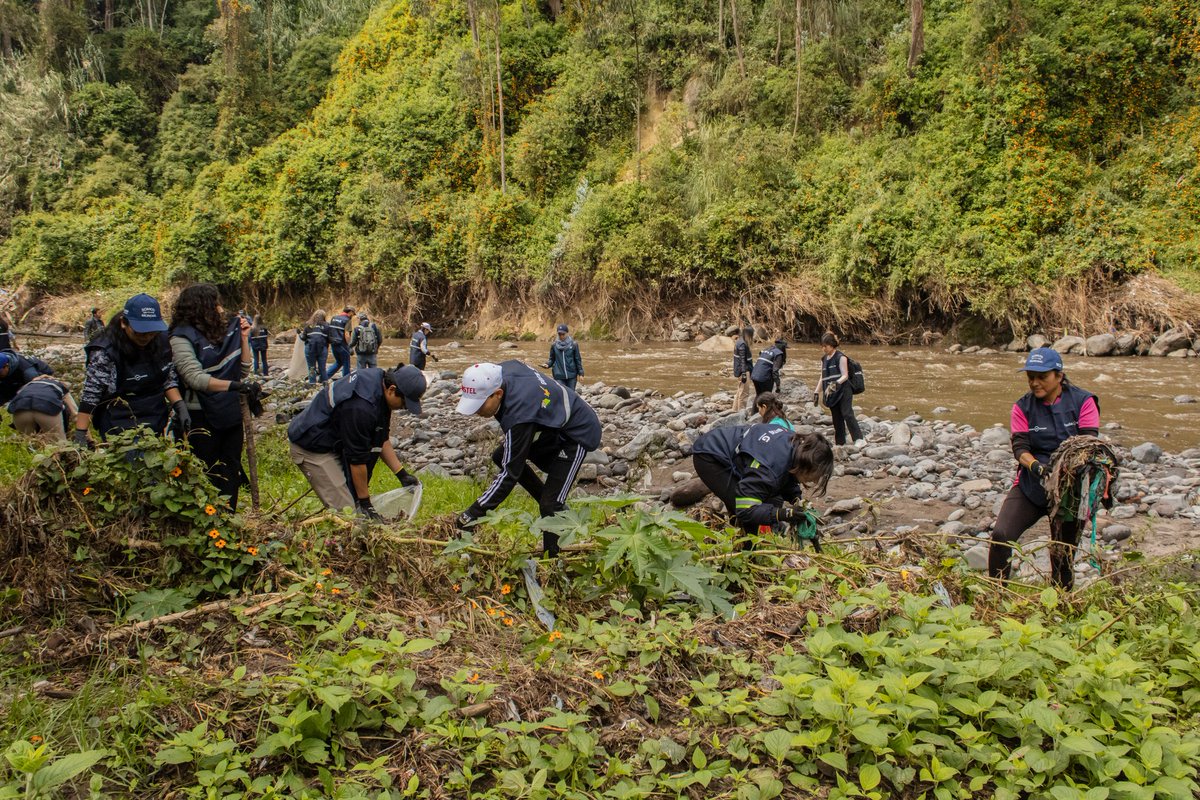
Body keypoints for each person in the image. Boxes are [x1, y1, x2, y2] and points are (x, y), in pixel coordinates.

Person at [454, 361, 602, 557]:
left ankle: (552, 560)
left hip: (577, 433)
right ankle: (556, 507)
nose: (476, 411)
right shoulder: (500, 372)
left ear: (498, 394)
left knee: (550, 505)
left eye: (479, 405)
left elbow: (510, 474)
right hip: (550, 424)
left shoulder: (520, 414)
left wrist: (471, 514)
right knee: (501, 456)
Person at [988, 347, 1100, 589]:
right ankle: (995, 595)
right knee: (1001, 535)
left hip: (1070, 490)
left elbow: (1089, 443)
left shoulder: (1084, 401)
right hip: (1032, 484)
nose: (1034, 383)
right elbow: (1020, 448)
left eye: (1042, 377)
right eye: (1030, 377)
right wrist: (1036, 467)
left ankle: (1060, 605)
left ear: (1059, 376)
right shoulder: (1022, 407)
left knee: (1062, 553)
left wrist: (1065, 470)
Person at [287, 366, 427, 517]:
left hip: (336, 440)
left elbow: (381, 438)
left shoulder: (380, 384)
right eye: (404, 403)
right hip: (311, 446)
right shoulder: (361, 407)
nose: (404, 407)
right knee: (348, 512)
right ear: (392, 390)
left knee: (355, 498)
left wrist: (402, 474)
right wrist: (365, 503)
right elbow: (357, 459)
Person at [170, 284, 258, 512]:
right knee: (205, 471)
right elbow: (194, 378)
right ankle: (205, 522)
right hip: (199, 414)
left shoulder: (223, 333)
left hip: (230, 412)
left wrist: (245, 338)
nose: (221, 308)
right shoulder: (180, 337)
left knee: (230, 468)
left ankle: (228, 516)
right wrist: (234, 386)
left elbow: (243, 370)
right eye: (216, 303)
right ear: (202, 307)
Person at [75, 294, 187, 444]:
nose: (146, 337)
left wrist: (180, 406)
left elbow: (167, 378)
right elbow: (92, 391)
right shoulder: (105, 350)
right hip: (117, 418)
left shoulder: (162, 340)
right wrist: (80, 432)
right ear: (124, 323)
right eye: (140, 332)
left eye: (151, 332)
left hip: (153, 413)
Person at [691, 421, 833, 538]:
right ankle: (745, 559)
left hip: (733, 449)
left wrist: (796, 499)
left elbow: (787, 475)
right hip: (710, 455)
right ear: (805, 466)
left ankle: (738, 544)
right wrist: (784, 514)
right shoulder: (769, 470)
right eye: (815, 476)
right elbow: (746, 509)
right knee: (744, 513)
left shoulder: (796, 446)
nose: (815, 481)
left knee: (755, 502)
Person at [816, 332, 864, 447]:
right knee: (836, 418)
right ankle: (840, 442)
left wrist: (835, 383)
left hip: (844, 389)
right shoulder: (823, 359)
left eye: (825, 346)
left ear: (832, 345)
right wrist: (816, 391)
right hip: (831, 392)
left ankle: (859, 439)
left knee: (847, 414)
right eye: (822, 346)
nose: (823, 349)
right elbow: (823, 377)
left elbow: (845, 375)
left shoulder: (840, 357)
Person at [8, 377, 77, 441]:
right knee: (58, 444)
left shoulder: (26, 386)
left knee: (29, 444)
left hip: (20, 408)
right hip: (46, 405)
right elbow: (75, 413)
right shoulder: (60, 385)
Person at [542, 323, 584, 390]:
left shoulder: (574, 344)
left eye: (563, 334)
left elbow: (577, 360)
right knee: (562, 393)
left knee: (571, 394)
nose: (561, 336)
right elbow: (552, 359)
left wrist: (581, 374)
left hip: (572, 375)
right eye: (559, 334)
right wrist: (547, 364)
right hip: (559, 375)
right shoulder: (554, 345)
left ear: (567, 333)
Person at [325, 306, 354, 380]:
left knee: (339, 362)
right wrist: (349, 346)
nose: (352, 316)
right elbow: (347, 334)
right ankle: (346, 381)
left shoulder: (334, 318)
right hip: (342, 344)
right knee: (346, 363)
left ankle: (324, 377)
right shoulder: (347, 320)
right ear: (350, 312)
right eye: (353, 314)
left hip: (333, 344)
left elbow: (330, 330)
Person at [300, 310, 330, 384]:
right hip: (322, 348)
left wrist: (299, 334)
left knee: (311, 368)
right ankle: (325, 384)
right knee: (322, 368)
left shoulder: (308, 324)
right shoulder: (327, 325)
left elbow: (303, 338)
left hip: (310, 349)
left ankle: (312, 384)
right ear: (324, 317)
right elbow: (329, 339)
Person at [732, 328, 753, 411]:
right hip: (744, 371)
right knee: (744, 393)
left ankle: (735, 410)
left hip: (739, 370)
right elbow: (742, 360)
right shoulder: (743, 344)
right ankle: (741, 412)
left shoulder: (739, 341)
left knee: (739, 392)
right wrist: (744, 373)